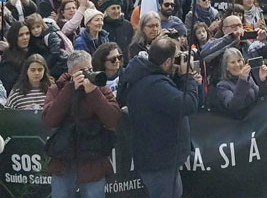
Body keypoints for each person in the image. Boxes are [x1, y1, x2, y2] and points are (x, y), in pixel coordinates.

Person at [120, 36, 203, 198]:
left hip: (159, 158)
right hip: (159, 161)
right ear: (166, 62)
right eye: (176, 58)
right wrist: (187, 76)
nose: (180, 61)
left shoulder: (145, 76)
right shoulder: (155, 85)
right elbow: (188, 105)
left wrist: (180, 77)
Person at [42, 50, 122, 198]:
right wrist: (70, 90)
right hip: (64, 160)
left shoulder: (100, 88)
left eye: (90, 69)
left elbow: (113, 119)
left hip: (93, 159)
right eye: (83, 71)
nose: (88, 74)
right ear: (71, 71)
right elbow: (49, 120)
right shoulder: (57, 88)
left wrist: (93, 93)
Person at [213, 48, 267, 116]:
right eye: (233, 62)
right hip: (238, 122)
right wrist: (242, 80)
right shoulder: (222, 86)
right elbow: (234, 106)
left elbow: (261, 97)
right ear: (226, 67)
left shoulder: (248, 77)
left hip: (255, 116)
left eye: (239, 61)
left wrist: (262, 80)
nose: (237, 65)